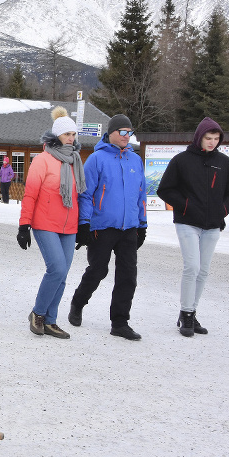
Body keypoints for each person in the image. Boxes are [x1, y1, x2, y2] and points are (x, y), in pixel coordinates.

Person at [156, 117, 229, 337]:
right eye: (208, 138)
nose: (212, 142)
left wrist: (223, 209)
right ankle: (187, 313)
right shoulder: (181, 160)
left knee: (203, 270)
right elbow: (164, 190)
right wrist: (186, 206)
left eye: (216, 138)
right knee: (192, 266)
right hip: (187, 223)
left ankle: (190, 313)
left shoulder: (223, 162)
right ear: (199, 137)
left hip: (212, 225)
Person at [68, 114, 147, 341]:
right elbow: (85, 194)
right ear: (110, 133)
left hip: (129, 228)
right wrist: (84, 224)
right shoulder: (96, 159)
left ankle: (120, 322)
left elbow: (140, 195)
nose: (126, 136)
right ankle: (78, 302)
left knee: (128, 276)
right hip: (101, 227)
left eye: (129, 132)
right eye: (122, 131)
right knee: (98, 270)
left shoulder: (135, 160)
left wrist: (142, 224)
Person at [17, 107, 84, 339]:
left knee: (63, 274)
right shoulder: (42, 161)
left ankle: (51, 321)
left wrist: (83, 225)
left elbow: (80, 196)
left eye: (73, 135)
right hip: (44, 223)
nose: (71, 139)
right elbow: (30, 194)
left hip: (69, 226)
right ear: (56, 136)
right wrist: (24, 225)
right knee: (56, 268)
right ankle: (38, 314)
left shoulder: (75, 161)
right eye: (67, 135)